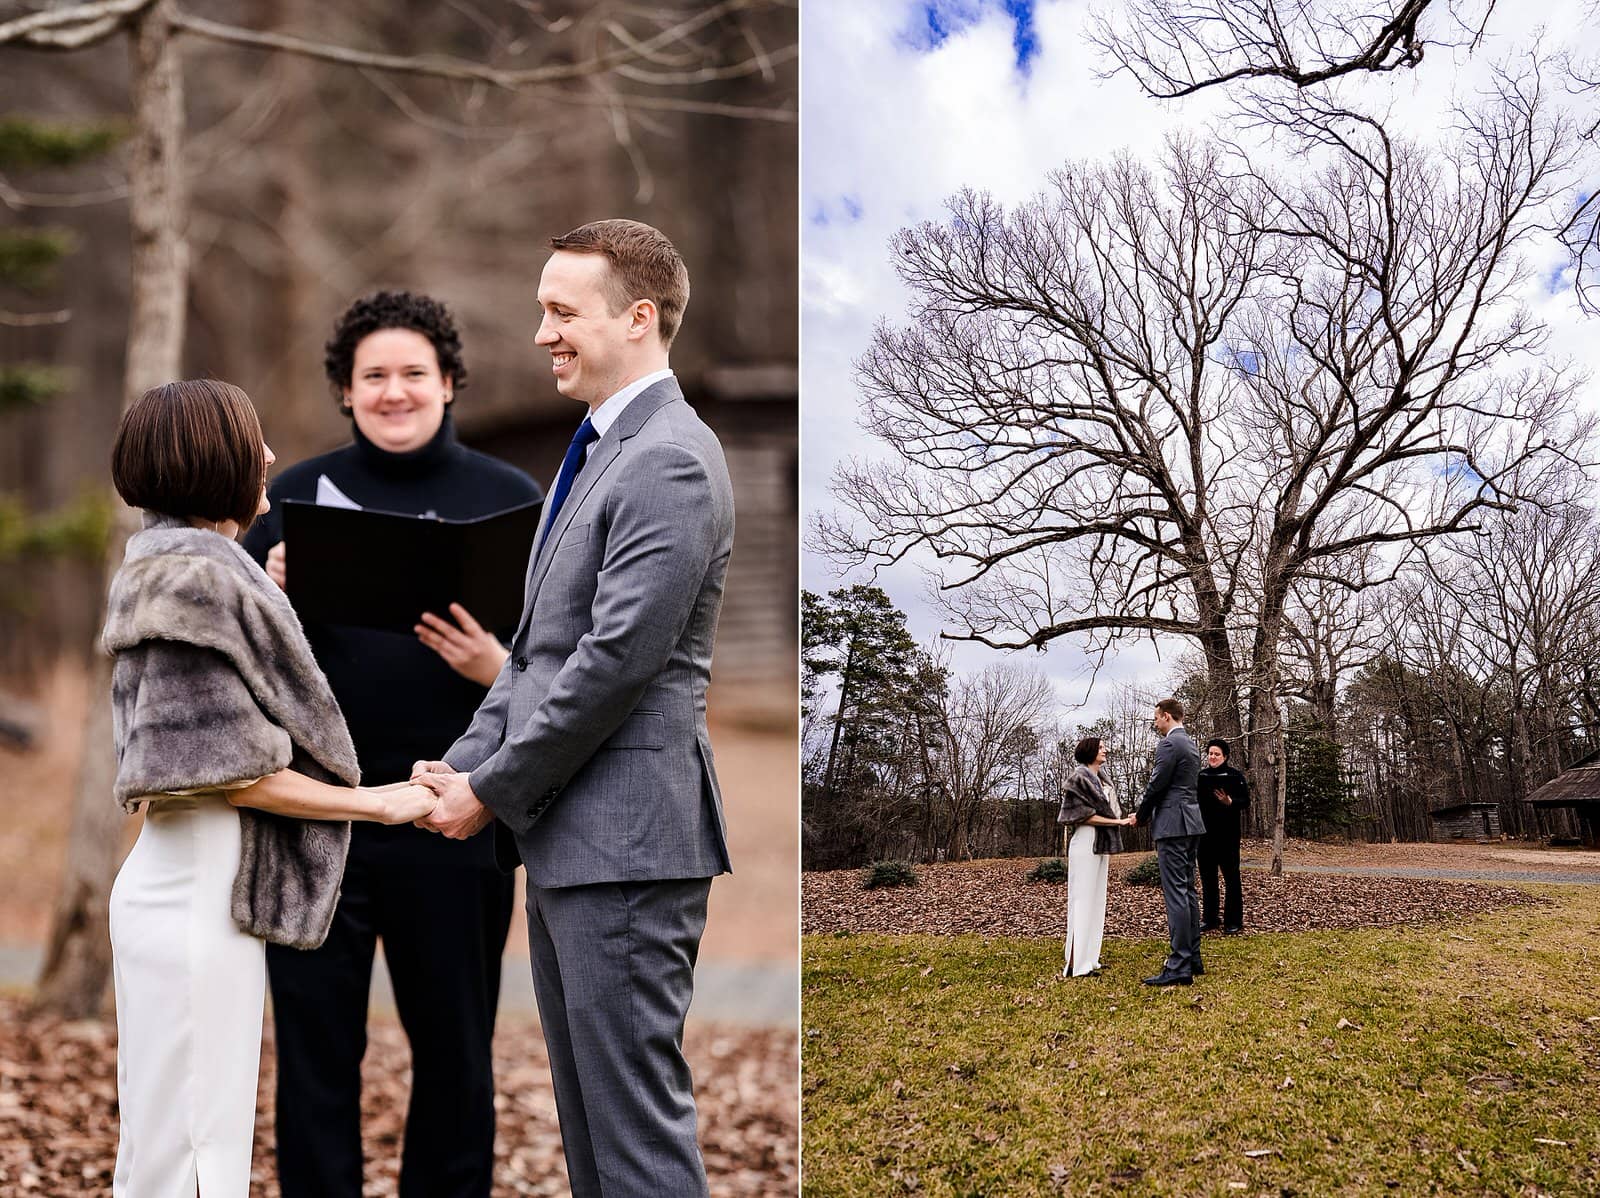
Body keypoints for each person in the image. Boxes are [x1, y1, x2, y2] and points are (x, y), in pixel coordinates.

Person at [411, 219, 734, 1198]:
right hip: (576, 845)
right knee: (592, 1144)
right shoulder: (597, 451)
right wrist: (464, 761)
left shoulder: (671, 458)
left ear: (638, 318)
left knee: (635, 1145)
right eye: (541, 307)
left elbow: (612, 666)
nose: (541, 331)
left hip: (628, 848)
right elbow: (535, 655)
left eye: (562, 310)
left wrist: (492, 791)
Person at [240, 291, 542, 1198]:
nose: (395, 391)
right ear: (344, 390)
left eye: (415, 373)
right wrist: (266, 584)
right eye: (374, 375)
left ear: (449, 384)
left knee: (455, 1053)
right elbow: (232, 657)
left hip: (453, 821)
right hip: (315, 821)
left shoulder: (511, 498)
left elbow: (569, 667)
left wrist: (497, 665)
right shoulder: (288, 498)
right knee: (315, 1053)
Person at [104, 379, 437, 1198]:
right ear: (213, 459)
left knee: (178, 1139)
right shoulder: (197, 583)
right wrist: (380, 801)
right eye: (253, 441)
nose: (270, 456)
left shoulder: (178, 573)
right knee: (189, 1148)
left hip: (192, 877)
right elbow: (235, 774)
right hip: (194, 892)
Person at [1132, 697, 1207, 987]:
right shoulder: (1191, 743)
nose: (1154, 723)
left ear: (1166, 716)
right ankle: (1193, 958)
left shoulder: (1168, 744)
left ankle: (1178, 965)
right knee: (1187, 890)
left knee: (1176, 893)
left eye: (1156, 718)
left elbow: (1157, 784)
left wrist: (1141, 814)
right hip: (1191, 822)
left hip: (1173, 825)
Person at [1056, 736, 1136, 977]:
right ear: (1090, 751)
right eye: (1101, 747)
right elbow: (1082, 816)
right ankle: (1075, 964)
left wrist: (1123, 818)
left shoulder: (1103, 779)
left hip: (1102, 842)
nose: (1106, 750)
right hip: (1086, 841)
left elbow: (1111, 808)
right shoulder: (1078, 779)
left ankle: (1090, 959)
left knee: (1096, 901)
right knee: (1081, 901)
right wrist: (1117, 821)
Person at [1198, 736, 1250, 935]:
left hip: (1228, 837)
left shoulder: (1235, 776)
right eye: (1210, 753)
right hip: (1205, 836)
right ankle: (1210, 919)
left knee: (1231, 878)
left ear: (1225, 756)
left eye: (1217, 754)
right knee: (1208, 879)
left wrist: (1230, 802)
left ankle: (1233, 921)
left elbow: (1245, 801)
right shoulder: (1201, 776)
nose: (1212, 757)